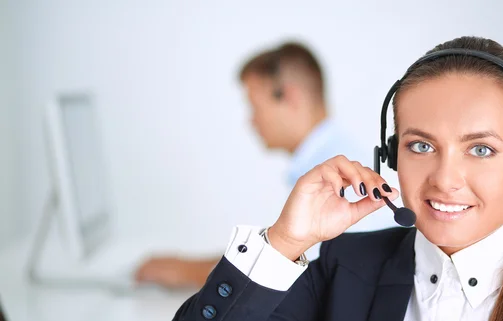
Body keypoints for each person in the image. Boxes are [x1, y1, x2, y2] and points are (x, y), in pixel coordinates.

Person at [139, 36, 503, 321]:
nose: (445, 179)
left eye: (481, 149)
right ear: (391, 155)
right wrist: (283, 241)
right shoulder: (346, 271)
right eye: (421, 146)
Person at [134, 41, 388, 289]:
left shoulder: (335, 177)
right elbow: (281, 253)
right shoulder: (331, 161)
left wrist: (186, 272)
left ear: (289, 97)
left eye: (255, 106)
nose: (251, 121)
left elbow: (286, 278)